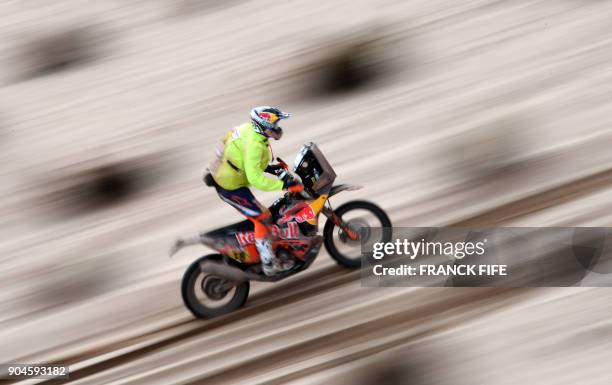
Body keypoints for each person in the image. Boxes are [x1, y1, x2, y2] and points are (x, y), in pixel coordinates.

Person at [170, 106, 303, 276]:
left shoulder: (245, 129)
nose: (278, 128)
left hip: (224, 177)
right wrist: (284, 186)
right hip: (231, 187)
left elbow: (227, 147)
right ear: (263, 125)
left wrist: (271, 168)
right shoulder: (255, 145)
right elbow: (255, 179)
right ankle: (269, 264)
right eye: (275, 124)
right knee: (263, 218)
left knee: (262, 214)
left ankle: (263, 246)